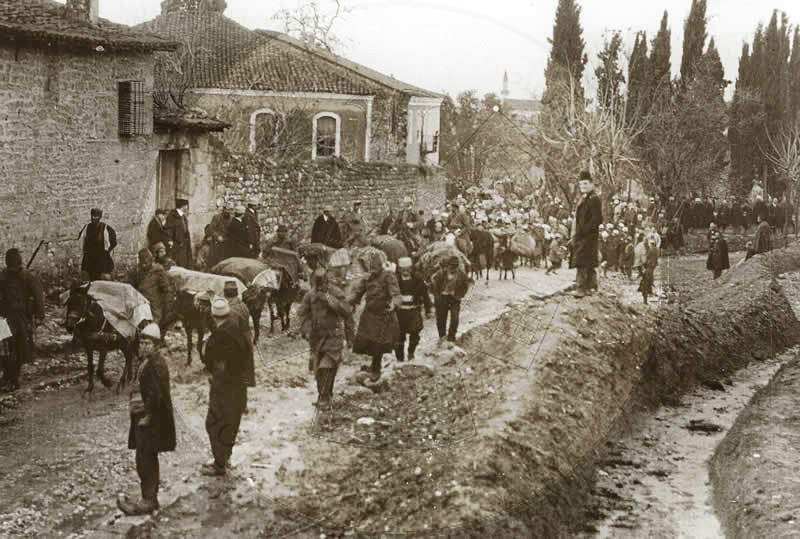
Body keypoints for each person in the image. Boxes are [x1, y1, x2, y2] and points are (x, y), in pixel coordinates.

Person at [117, 323, 175, 515]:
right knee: (145, 456)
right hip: (144, 415)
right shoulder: (147, 361)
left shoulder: (157, 364)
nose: (142, 346)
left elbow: (157, 396)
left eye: (147, 343)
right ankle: (151, 497)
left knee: (145, 458)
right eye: (141, 342)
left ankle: (148, 500)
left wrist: (147, 415)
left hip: (150, 419)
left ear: (156, 345)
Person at [202, 297, 250, 476]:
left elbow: (212, 360)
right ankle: (226, 457)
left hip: (223, 383)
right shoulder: (236, 330)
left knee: (213, 423)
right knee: (231, 421)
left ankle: (219, 464)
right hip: (238, 384)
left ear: (214, 317)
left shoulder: (220, 336)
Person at [297, 268, 351, 407]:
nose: (321, 287)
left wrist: (329, 299)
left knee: (326, 366)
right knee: (318, 370)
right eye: (318, 284)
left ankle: (325, 397)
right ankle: (324, 395)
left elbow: (346, 311)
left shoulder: (336, 293)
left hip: (333, 336)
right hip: (316, 338)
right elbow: (302, 314)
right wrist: (307, 330)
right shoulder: (310, 295)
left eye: (324, 283)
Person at [348, 251, 401, 381]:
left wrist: (394, 304)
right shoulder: (367, 278)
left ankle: (376, 369)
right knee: (369, 342)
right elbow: (358, 293)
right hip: (369, 315)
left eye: (375, 266)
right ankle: (374, 365)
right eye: (371, 267)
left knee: (380, 343)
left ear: (381, 265)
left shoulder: (388, 276)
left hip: (383, 315)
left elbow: (396, 294)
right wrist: (346, 302)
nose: (372, 269)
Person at [0, 248, 45, 392]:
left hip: (21, 317)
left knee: (17, 348)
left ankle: (14, 379)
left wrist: (39, 316)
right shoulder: (3, 276)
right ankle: (7, 376)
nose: (12, 268)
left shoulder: (28, 276)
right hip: (5, 317)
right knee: (6, 348)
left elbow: (39, 297)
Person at [570, 171, 603, 297]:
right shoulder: (584, 198)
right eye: (580, 184)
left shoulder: (594, 199)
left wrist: (583, 231)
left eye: (585, 183)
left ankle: (581, 288)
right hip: (583, 236)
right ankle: (591, 288)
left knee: (582, 262)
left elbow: (598, 220)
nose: (582, 186)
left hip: (588, 237)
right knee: (588, 263)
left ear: (591, 184)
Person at [394, 257, 431, 362]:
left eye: (408, 269)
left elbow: (425, 295)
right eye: (403, 269)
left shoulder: (417, 280)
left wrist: (428, 310)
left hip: (414, 311)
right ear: (399, 269)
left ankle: (411, 353)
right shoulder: (395, 280)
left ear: (411, 268)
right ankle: (399, 358)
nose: (405, 271)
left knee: (415, 334)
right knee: (399, 337)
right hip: (400, 312)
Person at [129, 248, 172, 336]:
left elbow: (166, 289)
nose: (144, 265)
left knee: (153, 325)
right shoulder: (137, 271)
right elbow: (130, 284)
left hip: (154, 304)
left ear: (151, 260)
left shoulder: (158, 271)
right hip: (139, 302)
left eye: (146, 262)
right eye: (142, 262)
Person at [430, 256, 470, 347]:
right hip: (442, 298)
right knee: (441, 318)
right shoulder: (441, 274)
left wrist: (459, 296)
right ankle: (442, 337)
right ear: (448, 266)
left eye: (455, 266)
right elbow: (435, 288)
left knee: (455, 318)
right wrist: (437, 298)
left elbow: (465, 287)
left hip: (454, 299)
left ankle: (451, 337)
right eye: (451, 266)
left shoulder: (462, 275)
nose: (453, 268)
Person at [81, 208, 117, 281]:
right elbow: (83, 242)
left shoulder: (106, 229)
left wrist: (107, 251)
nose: (93, 218)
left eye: (96, 216)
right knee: (89, 280)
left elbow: (114, 242)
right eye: (92, 216)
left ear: (100, 217)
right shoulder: (87, 227)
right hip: (90, 260)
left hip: (101, 259)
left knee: (103, 280)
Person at [165, 199, 192, 268]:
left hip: (184, 245)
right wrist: (170, 241)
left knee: (184, 264)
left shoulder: (183, 217)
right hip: (177, 246)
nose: (187, 207)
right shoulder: (172, 216)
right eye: (186, 206)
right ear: (183, 206)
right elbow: (168, 230)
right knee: (177, 265)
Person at [209, 200, 234, 266]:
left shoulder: (232, 219)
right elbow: (211, 229)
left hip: (227, 243)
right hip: (217, 244)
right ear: (223, 209)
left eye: (229, 210)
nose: (227, 212)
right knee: (216, 261)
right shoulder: (216, 217)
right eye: (226, 210)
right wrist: (217, 236)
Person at [638, 237, 659, 304]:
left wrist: (644, 263)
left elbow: (647, 257)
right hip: (653, 264)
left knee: (647, 277)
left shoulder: (651, 250)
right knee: (650, 275)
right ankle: (650, 286)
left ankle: (646, 291)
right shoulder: (656, 249)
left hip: (649, 264)